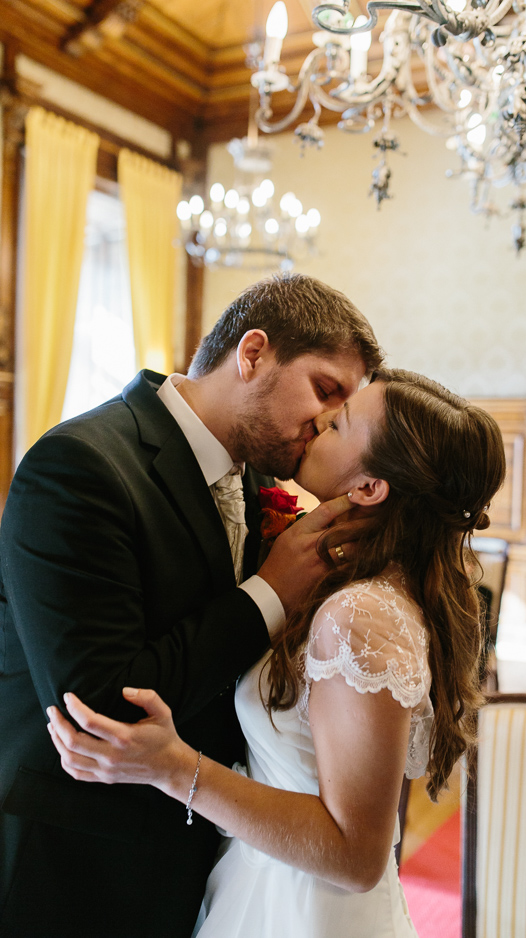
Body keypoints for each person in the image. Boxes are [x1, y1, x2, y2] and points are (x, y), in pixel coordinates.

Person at [47, 369, 507, 938]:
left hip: (303, 909)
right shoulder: (356, 586)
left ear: (369, 488)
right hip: (264, 883)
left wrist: (172, 767)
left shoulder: (358, 618)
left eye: (339, 423)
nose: (319, 421)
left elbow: (356, 855)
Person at [0, 273, 383, 938]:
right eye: (325, 388)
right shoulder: (81, 467)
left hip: (205, 847)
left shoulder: (263, 476)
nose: (326, 420)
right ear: (254, 352)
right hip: (77, 855)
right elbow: (103, 707)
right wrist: (270, 592)